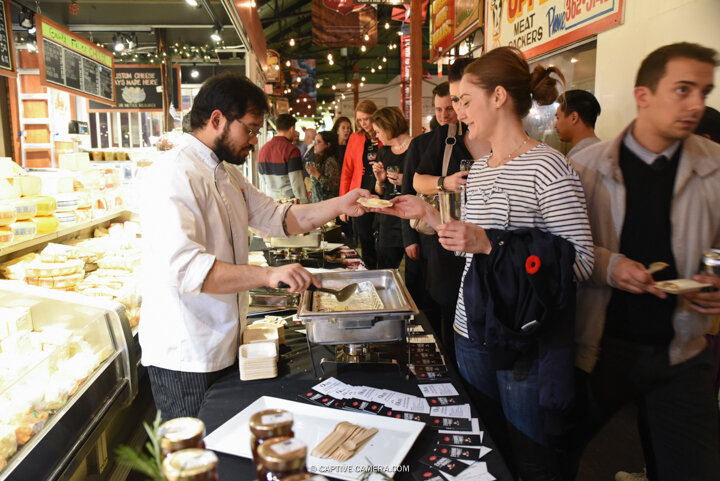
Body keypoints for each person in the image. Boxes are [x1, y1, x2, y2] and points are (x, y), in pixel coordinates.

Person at [379, 47, 595, 480]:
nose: (458, 112)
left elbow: (581, 263)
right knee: (484, 451)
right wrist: (430, 217)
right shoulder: (479, 170)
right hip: (468, 329)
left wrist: (490, 244)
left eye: (465, 101)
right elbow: (469, 248)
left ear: (498, 97)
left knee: (531, 459)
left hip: (521, 341)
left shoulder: (548, 167)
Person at [138, 73, 372, 419]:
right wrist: (268, 274)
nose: (254, 140)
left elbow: (279, 217)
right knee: (197, 457)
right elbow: (189, 269)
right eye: (248, 129)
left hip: (226, 340)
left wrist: (341, 204)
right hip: (187, 350)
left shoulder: (227, 173)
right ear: (217, 119)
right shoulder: (173, 174)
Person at [570, 42, 720, 481]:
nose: (696, 104)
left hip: (682, 349)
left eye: (703, 92)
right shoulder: (588, 167)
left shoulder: (713, 168)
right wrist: (611, 266)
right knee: (555, 454)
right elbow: (566, 250)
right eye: (683, 90)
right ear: (643, 95)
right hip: (598, 347)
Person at [411, 61, 491, 366]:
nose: (457, 111)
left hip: (488, 255)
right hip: (449, 249)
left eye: (462, 101)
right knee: (450, 319)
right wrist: (445, 182)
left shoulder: (506, 148)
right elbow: (418, 180)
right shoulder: (447, 140)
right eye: (455, 102)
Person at [339, 100, 381, 269]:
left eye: (367, 119)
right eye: (360, 120)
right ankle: (370, 271)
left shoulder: (383, 135)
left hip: (380, 192)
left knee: (382, 240)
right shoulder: (355, 138)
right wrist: (343, 203)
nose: (364, 123)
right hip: (360, 194)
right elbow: (347, 171)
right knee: (365, 238)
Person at [370, 107, 412, 269]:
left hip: (410, 219)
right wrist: (380, 180)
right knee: (385, 268)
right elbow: (380, 191)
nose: (377, 136)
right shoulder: (383, 152)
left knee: (414, 277)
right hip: (388, 221)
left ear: (388, 127)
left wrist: (405, 181)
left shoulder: (416, 147)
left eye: (378, 131)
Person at [258, 113, 308, 203]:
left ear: (276, 129)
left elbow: (263, 181)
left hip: (270, 201)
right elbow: (297, 184)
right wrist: (304, 204)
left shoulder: (263, 150)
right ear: (292, 129)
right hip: (289, 203)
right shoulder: (292, 150)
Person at [554, 90, 602, 158]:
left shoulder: (578, 156)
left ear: (574, 117)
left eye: (558, 118)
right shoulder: (604, 150)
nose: (555, 125)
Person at [307, 131, 341, 202]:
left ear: (327, 144)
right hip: (317, 205)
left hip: (327, 206)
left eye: (318, 142)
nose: (315, 144)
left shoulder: (331, 161)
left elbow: (334, 187)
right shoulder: (318, 159)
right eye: (314, 141)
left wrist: (317, 174)